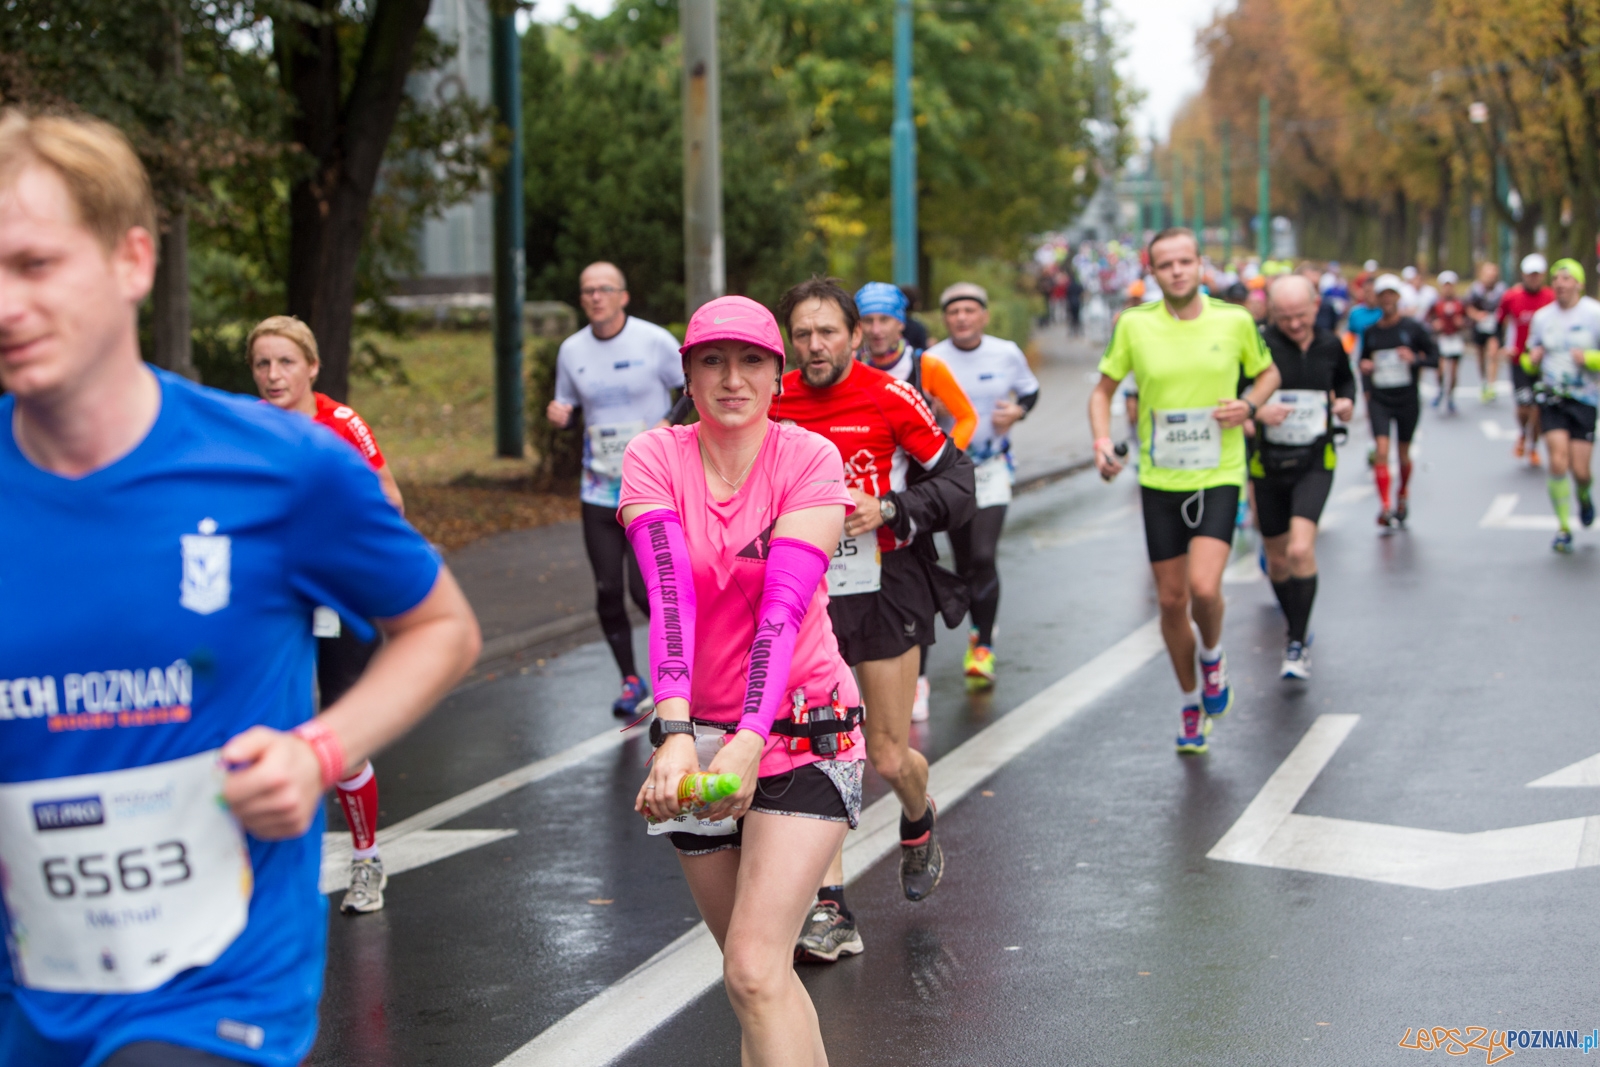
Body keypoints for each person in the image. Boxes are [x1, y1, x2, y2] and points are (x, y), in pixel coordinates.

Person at [0, 110, 480, 1067]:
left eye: (35, 264)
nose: (5, 302)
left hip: (212, 986)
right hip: (28, 982)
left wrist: (316, 751)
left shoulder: (278, 467)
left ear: (132, 260)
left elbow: (442, 627)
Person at [620, 294, 862, 1065]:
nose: (732, 378)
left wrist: (751, 739)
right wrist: (678, 733)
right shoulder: (654, 456)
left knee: (755, 969)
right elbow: (670, 597)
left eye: (752, 360)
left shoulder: (809, 459)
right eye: (712, 361)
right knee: (755, 978)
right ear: (687, 374)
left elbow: (781, 613)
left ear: (778, 374)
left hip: (804, 727)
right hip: (698, 741)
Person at [771, 277, 974, 962]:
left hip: (885, 583)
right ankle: (830, 906)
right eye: (802, 334)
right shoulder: (774, 397)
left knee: (886, 753)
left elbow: (958, 481)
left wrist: (889, 507)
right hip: (803, 592)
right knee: (815, 742)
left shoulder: (890, 395)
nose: (814, 345)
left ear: (857, 336)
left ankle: (918, 818)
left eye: (828, 331)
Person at [1089, 228, 1279, 755]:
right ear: (1152, 272)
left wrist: (1250, 405)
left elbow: (1267, 374)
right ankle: (1191, 700)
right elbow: (1102, 391)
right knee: (1171, 602)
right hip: (1159, 479)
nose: (1176, 271)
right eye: (1165, 264)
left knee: (1203, 587)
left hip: (1218, 472)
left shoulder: (1235, 320)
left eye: (1185, 262)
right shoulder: (1134, 325)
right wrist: (1102, 441)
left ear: (1201, 266)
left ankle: (1213, 655)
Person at [248, 315, 401, 914]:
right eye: (262, 363)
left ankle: (366, 858)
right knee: (267, 722)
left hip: (339, 594)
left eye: (285, 362)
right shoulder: (252, 426)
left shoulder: (340, 424)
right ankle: (272, 865)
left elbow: (389, 496)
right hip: (277, 598)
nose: (272, 375)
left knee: (341, 730)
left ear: (311, 366)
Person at [547, 262, 692, 716]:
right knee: (608, 589)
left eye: (604, 289)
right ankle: (631, 680)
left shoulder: (653, 341)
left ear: (623, 296)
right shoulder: (572, 350)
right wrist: (560, 414)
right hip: (599, 490)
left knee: (644, 591)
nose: (595, 297)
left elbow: (691, 387)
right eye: (587, 290)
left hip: (651, 488)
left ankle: (684, 666)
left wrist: (667, 423)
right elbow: (567, 406)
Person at [856, 281, 977, 721]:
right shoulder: (850, 368)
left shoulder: (927, 366)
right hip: (869, 494)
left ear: (900, 322)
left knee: (915, 585)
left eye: (883, 319)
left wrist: (941, 458)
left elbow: (966, 416)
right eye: (866, 320)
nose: (875, 329)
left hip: (916, 496)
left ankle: (918, 679)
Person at [929, 281, 1041, 690]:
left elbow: (1031, 392)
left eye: (969, 310)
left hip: (992, 465)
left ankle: (984, 645)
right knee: (962, 561)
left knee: (982, 553)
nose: (961, 317)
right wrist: (929, 408)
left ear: (983, 315)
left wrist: (1018, 412)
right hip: (949, 471)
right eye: (954, 311)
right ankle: (980, 627)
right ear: (945, 319)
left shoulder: (1006, 352)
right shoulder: (931, 359)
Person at [1250, 276, 1356, 678]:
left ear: (1316, 307)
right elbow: (1237, 393)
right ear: (1272, 313)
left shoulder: (1330, 344)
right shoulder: (1259, 346)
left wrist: (1346, 402)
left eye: (1301, 316)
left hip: (1316, 458)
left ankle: (1296, 640)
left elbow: (1345, 380)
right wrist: (1257, 412)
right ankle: (1294, 621)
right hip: (1268, 462)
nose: (1294, 325)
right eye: (1285, 317)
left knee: (1299, 550)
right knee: (1276, 559)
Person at [1520, 259, 1600, 552]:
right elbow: (1528, 359)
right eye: (1556, 278)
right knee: (1557, 461)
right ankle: (1564, 527)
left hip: (1585, 399)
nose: (1561, 283)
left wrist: (1590, 359)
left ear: (1579, 283)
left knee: (1581, 470)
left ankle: (1584, 495)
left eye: (1567, 278)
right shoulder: (1542, 317)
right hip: (1551, 397)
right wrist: (1533, 359)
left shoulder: (1594, 314)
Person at [1359, 274, 1438, 527]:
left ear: (1398, 297)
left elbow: (1435, 357)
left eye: (1392, 294)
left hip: (1406, 399)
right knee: (1381, 450)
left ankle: (1402, 494)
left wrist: (1414, 359)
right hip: (1380, 399)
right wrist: (1367, 375)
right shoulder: (1371, 332)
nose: (1387, 299)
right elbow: (1362, 362)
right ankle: (1385, 506)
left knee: (1403, 453)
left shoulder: (1411, 328)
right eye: (1383, 295)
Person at [1497, 254, 1556, 468]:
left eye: (1537, 275)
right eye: (1530, 275)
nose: (1534, 278)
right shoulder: (1511, 297)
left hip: (1544, 362)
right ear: (1523, 275)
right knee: (1524, 407)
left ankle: (1533, 446)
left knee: (1539, 408)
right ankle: (1523, 432)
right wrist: (1504, 346)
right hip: (1519, 360)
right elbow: (1499, 322)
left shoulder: (1551, 297)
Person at [1427, 270, 1467, 414]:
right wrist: (1434, 324)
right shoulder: (1436, 303)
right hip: (1442, 338)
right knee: (1441, 369)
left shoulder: (1460, 303)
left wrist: (1462, 323)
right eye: (1445, 285)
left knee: (1454, 371)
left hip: (1455, 338)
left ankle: (1450, 397)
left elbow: (1467, 320)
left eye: (1450, 285)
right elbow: (1428, 319)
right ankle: (1440, 391)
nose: (1448, 288)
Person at [1466, 261, 1506, 403]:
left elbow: (1506, 308)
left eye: (1493, 274)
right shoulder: (1475, 289)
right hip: (1479, 326)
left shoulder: (1501, 290)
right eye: (1488, 274)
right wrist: (1477, 315)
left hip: (1494, 327)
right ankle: (1483, 380)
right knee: (1481, 355)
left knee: (1493, 353)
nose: (1491, 277)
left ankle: (1491, 385)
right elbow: (1468, 307)